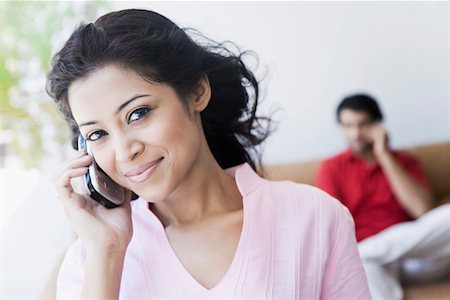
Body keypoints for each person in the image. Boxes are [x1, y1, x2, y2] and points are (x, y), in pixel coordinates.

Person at [47, 9, 370, 299]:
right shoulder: (91, 259)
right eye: (98, 134)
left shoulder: (312, 217)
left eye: (138, 113)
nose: (124, 151)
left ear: (198, 92)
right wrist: (107, 253)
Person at [316, 94, 449, 299]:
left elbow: (422, 210)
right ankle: (361, 255)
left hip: (413, 257)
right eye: (348, 126)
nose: (355, 133)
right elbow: (330, 225)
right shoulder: (332, 167)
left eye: (362, 125)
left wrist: (384, 156)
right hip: (371, 263)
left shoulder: (405, 161)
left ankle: (361, 253)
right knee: (365, 272)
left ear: (378, 125)